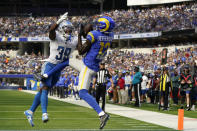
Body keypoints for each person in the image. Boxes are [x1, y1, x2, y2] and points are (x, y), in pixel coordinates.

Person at [24, 12, 78, 127]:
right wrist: (58, 21)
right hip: (50, 65)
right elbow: (51, 31)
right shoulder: (56, 36)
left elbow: (82, 47)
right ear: (62, 29)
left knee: (44, 90)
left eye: (70, 30)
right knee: (44, 88)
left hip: (59, 68)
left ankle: (30, 111)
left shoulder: (74, 40)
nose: (69, 31)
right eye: (67, 29)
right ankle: (44, 113)